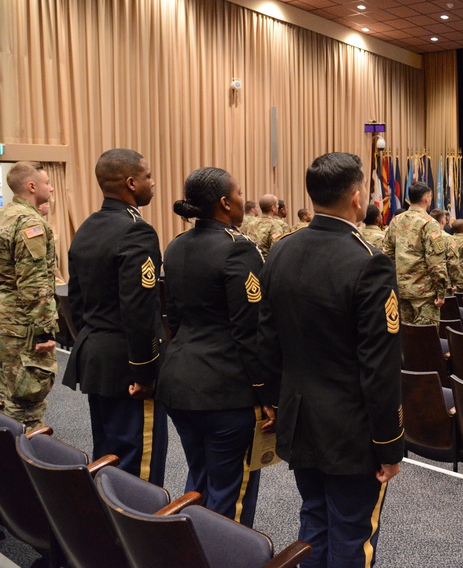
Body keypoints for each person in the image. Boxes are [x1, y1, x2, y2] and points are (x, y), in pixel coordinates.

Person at [258, 152, 403, 568]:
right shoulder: (369, 262)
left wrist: (271, 400)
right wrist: (389, 442)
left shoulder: (280, 251)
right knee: (353, 533)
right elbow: (380, 365)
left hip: (299, 417)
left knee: (315, 519)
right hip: (351, 431)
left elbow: (265, 338)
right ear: (357, 198)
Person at [159, 167, 271, 526]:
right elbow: (249, 331)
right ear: (225, 202)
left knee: (200, 482)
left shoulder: (176, 245)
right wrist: (266, 392)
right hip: (227, 392)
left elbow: (173, 319)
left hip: (179, 382)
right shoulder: (239, 250)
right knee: (229, 497)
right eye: (239, 194)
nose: (242, 200)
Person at [63, 149, 167, 485]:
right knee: (138, 469)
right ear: (132, 182)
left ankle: (106, 531)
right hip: (129, 366)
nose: (153, 183)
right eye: (149, 176)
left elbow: (75, 301)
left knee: (107, 456)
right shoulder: (137, 231)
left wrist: (94, 342)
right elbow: (140, 309)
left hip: (97, 357)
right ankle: (138, 535)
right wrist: (146, 371)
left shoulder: (87, 227)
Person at [0, 161, 58, 429]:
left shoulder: (4, 215)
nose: (51, 187)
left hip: (4, 321)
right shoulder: (30, 223)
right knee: (25, 404)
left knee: (4, 396)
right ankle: (22, 467)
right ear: (32, 186)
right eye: (47, 183)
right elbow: (34, 285)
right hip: (22, 327)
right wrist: (45, 331)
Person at [382, 181, 448, 324]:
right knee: (424, 342)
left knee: (406, 340)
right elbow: (436, 262)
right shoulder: (430, 223)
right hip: (424, 295)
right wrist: (441, 292)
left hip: (401, 291)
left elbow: (387, 254)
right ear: (426, 198)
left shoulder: (395, 221)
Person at [245, 194, 291, 259]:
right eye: (277, 204)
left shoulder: (251, 223)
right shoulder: (275, 226)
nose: (278, 206)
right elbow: (276, 251)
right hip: (267, 265)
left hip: (252, 263)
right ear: (273, 208)